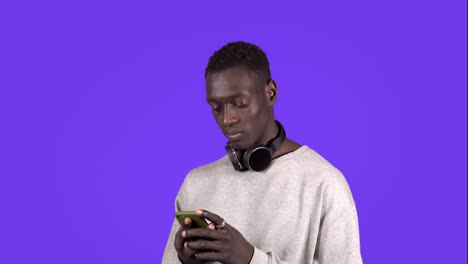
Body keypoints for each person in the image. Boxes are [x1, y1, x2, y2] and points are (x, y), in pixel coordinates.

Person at [162, 41, 363, 264]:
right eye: (217, 108)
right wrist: (184, 261)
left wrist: (249, 258)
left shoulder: (324, 183)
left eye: (240, 103)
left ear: (271, 93)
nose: (227, 119)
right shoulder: (196, 183)